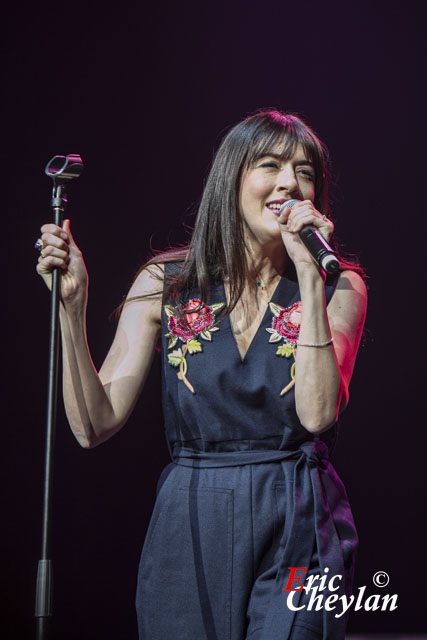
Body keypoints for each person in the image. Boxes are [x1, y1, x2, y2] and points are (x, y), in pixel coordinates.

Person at [36, 110, 367, 640]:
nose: (290, 182)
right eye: (270, 165)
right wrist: (71, 314)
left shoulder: (338, 287)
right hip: (191, 515)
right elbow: (92, 425)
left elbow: (317, 412)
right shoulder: (165, 283)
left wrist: (308, 272)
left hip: (299, 517)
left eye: (305, 172)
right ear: (231, 181)